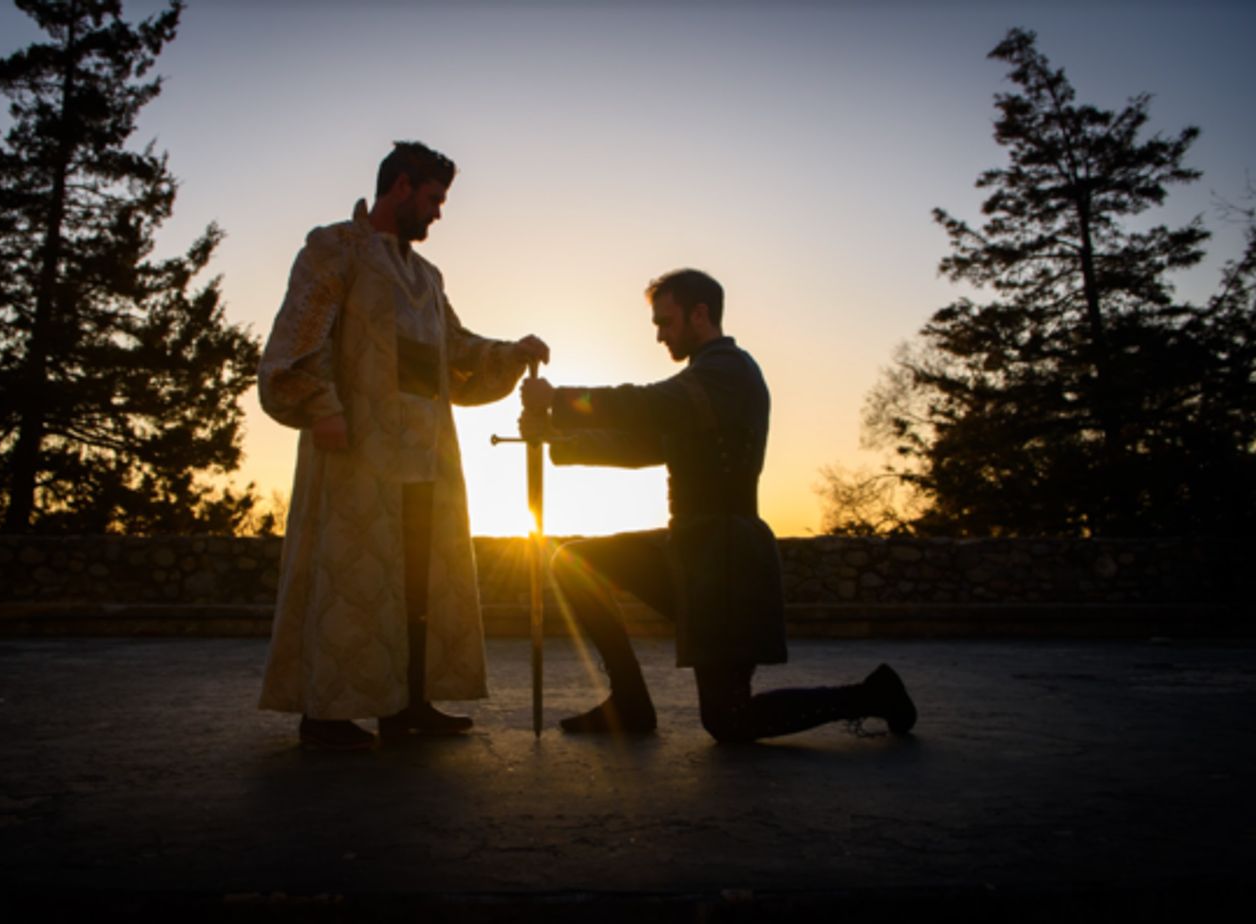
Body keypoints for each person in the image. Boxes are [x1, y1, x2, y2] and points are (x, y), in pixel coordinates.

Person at [520, 269, 916, 742]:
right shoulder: (699, 385)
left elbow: (647, 405)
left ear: (700, 313)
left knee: (728, 719)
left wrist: (560, 401)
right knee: (574, 560)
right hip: (689, 550)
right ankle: (629, 702)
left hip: (728, 560)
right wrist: (557, 437)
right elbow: (641, 442)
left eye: (666, 323)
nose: (661, 335)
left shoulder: (728, 373)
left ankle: (872, 695)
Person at [257, 141, 548, 750]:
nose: (439, 213)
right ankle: (327, 715)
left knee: (420, 584)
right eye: (435, 199)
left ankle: (408, 704)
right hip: (357, 451)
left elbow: (456, 352)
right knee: (353, 583)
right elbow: (298, 338)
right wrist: (321, 406)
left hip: (426, 457)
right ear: (402, 188)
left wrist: (511, 352)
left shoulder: (425, 276)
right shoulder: (335, 248)